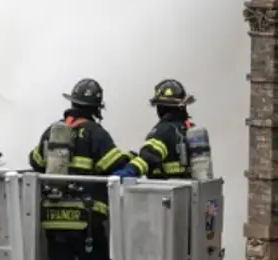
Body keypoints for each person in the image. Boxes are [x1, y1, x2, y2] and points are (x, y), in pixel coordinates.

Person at [28, 78, 129, 260]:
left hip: (53, 219)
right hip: (87, 218)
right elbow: (114, 165)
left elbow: (35, 161)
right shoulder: (95, 132)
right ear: (96, 108)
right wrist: (131, 157)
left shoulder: (52, 131)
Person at [113, 79, 202, 179]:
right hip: (191, 189)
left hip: (167, 191)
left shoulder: (163, 131)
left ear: (162, 107)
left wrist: (129, 170)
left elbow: (149, 157)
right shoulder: (189, 127)